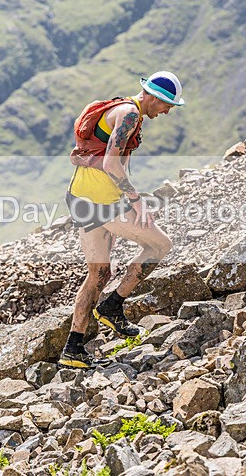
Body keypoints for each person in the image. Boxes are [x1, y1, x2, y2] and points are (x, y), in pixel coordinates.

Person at [59, 71, 185, 369]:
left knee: (98, 275)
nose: (167, 111)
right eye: (167, 105)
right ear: (153, 97)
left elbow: (99, 157)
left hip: (79, 198)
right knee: (161, 246)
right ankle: (112, 306)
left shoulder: (119, 108)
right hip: (105, 203)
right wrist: (136, 201)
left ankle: (73, 349)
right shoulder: (130, 114)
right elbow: (112, 163)